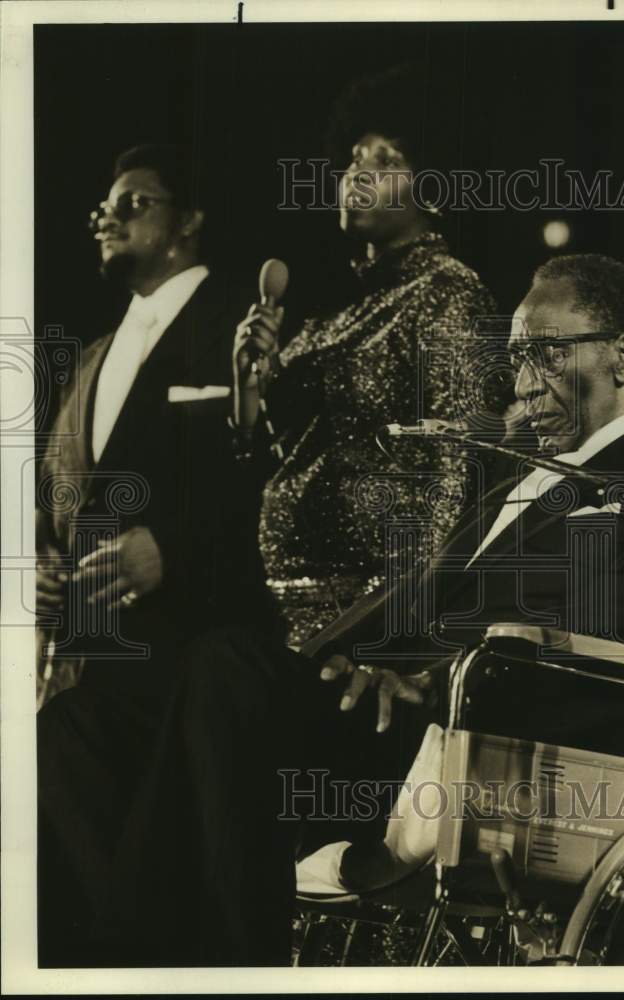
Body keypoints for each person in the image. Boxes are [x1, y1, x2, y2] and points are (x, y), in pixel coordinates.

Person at [76, 253, 624, 967]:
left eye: (545, 354)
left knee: (226, 673)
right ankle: (116, 963)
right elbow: (421, 593)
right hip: (376, 709)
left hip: (475, 737)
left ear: (623, 357)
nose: (522, 384)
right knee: (82, 725)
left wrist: (434, 679)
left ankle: (216, 969)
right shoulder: (525, 471)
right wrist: (328, 659)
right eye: (516, 359)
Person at [36, 144, 285, 966]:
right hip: (95, 665)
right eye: (103, 206)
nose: (107, 216)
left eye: (134, 201)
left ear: (189, 220)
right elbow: (64, 496)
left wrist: (173, 550)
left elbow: (275, 480)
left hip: (197, 655)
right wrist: (46, 565)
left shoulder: (242, 323)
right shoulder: (94, 355)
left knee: (190, 879)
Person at [232, 64, 498, 647]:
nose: (358, 173)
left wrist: (403, 631)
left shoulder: (448, 293)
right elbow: (273, 456)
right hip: (284, 608)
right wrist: (249, 385)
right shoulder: (338, 309)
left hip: (365, 620)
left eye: (386, 160)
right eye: (354, 158)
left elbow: (457, 473)